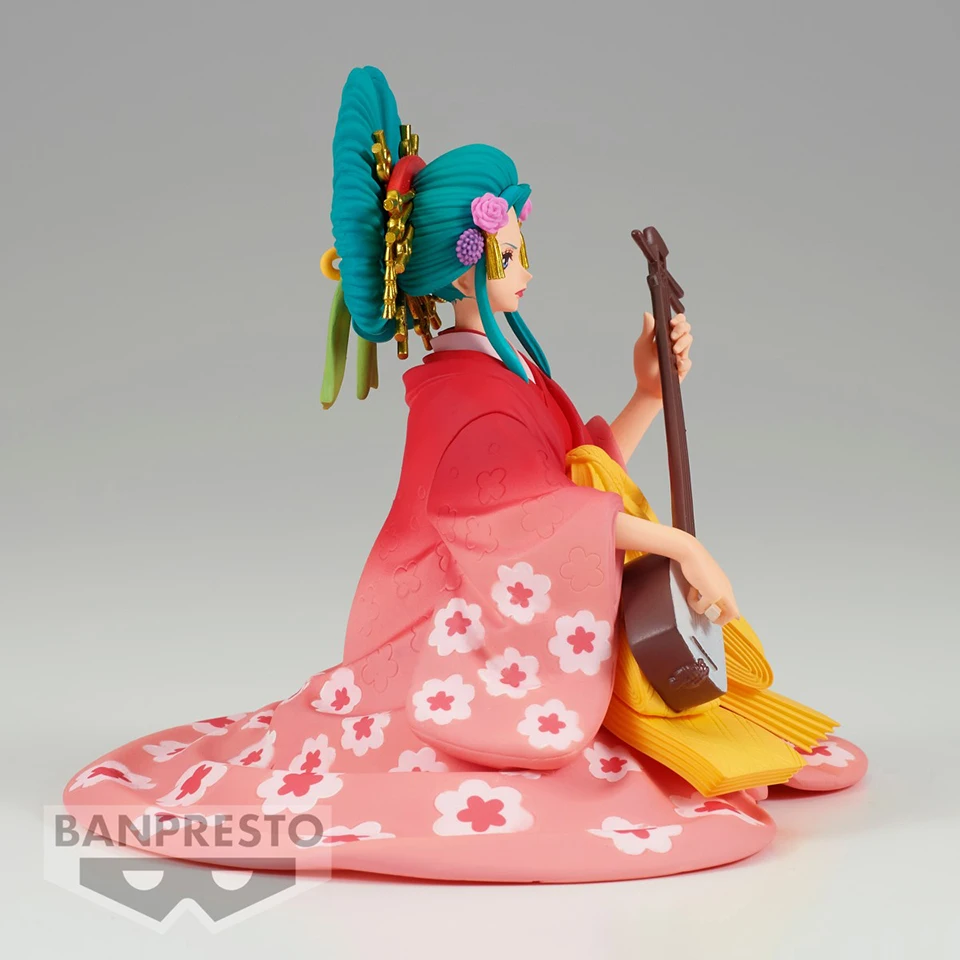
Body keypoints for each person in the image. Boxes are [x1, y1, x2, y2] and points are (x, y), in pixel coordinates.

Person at [62, 66, 866, 883]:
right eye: (507, 254)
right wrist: (678, 546)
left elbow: (575, 481)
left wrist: (647, 395)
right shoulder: (463, 396)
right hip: (447, 627)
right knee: (550, 772)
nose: (525, 269)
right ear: (459, 269)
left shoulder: (506, 370)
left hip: (506, 605)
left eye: (523, 250)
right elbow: (525, 520)